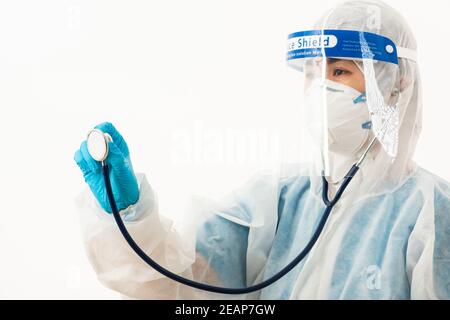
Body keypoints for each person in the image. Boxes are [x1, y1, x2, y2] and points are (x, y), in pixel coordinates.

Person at [74, 0, 450, 299]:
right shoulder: (278, 198)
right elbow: (181, 283)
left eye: (339, 72)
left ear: (395, 86)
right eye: (312, 74)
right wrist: (128, 215)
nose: (320, 90)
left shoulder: (431, 212)